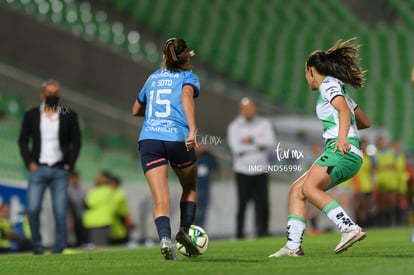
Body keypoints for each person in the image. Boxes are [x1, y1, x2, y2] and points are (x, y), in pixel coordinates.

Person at [269, 38, 371, 257]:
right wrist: (348, 123)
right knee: (297, 190)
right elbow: (365, 122)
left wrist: (342, 137)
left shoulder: (328, 85)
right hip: (348, 151)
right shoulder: (340, 90)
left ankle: (349, 228)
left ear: (311, 70)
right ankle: (293, 246)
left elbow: (343, 110)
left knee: (309, 189)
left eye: (306, 73)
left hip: (340, 149)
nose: (307, 78)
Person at [131, 37, 201, 260]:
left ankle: (164, 238)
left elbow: (135, 110)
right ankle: (184, 231)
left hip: (150, 139)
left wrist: (153, 114)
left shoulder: (152, 78)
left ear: (163, 57)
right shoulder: (188, 77)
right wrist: (192, 130)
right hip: (177, 139)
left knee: (160, 199)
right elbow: (186, 96)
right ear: (186, 58)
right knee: (189, 186)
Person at [18, 79, 82, 254]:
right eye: (48, 94)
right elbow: (23, 141)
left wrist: (69, 165)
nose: (51, 97)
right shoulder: (31, 114)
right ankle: (37, 245)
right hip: (37, 168)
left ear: (59, 95)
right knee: (32, 208)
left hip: (60, 169)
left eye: (55, 94)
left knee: (60, 211)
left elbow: (76, 143)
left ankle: (59, 247)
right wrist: (29, 162)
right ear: (42, 95)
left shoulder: (69, 115)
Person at [227, 97, 277, 239]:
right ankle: (239, 233)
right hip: (242, 170)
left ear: (254, 109)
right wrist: (259, 146)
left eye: (251, 108)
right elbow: (236, 148)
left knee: (263, 202)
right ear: (241, 111)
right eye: (245, 109)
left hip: (261, 169)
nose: (248, 111)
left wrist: (251, 140)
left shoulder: (264, 123)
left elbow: (271, 143)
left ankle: (263, 231)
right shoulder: (234, 126)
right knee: (242, 203)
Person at [83, 170, 114, 247]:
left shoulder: (105, 190)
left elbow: (89, 203)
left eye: (100, 177)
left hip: (100, 223)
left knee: (98, 247)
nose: (97, 178)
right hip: (94, 223)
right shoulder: (99, 189)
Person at [350, 138, 375, 228]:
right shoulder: (357, 157)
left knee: (365, 207)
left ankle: (363, 225)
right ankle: (360, 225)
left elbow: (372, 171)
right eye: (363, 145)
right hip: (359, 186)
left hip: (368, 186)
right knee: (360, 206)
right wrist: (356, 185)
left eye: (366, 145)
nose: (364, 147)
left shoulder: (369, 158)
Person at [193, 145, 218, 229]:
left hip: (204, 191)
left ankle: (200, 231)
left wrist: (209, 153)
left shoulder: (207, 159)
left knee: (201, 213)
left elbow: (215, 167)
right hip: (191, 191)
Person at [108, 174, 134, 245]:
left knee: (120, 238)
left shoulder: (119, 193)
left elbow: (114, 208)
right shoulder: (115, 192)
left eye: (111, 183)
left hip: (120, 219)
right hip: (117, 220)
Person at [67, 171, 87, 247]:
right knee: (71, 236)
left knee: (80, 233)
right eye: (73, 178)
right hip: (71, 216)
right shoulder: (67, 190)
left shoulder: (82, 190)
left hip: (81, 216)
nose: (74, 180)